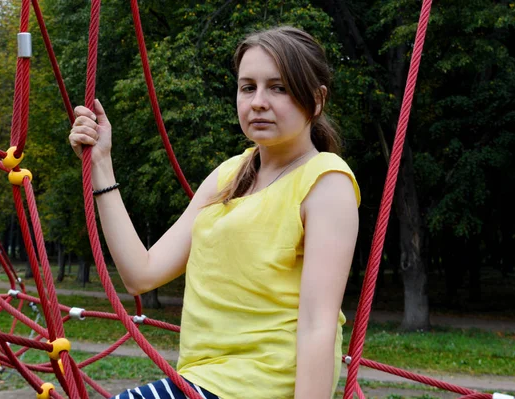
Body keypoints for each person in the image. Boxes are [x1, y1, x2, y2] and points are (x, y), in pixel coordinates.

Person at [69, 26, 360, 399]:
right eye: (247, 87)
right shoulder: (229, 174)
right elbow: (141, 273)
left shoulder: (325, 181)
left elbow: (319, 324)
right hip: (200, 381)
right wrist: (101, 164)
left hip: (259, 385)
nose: (258, 102)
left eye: (279, 87)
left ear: (316, 100)